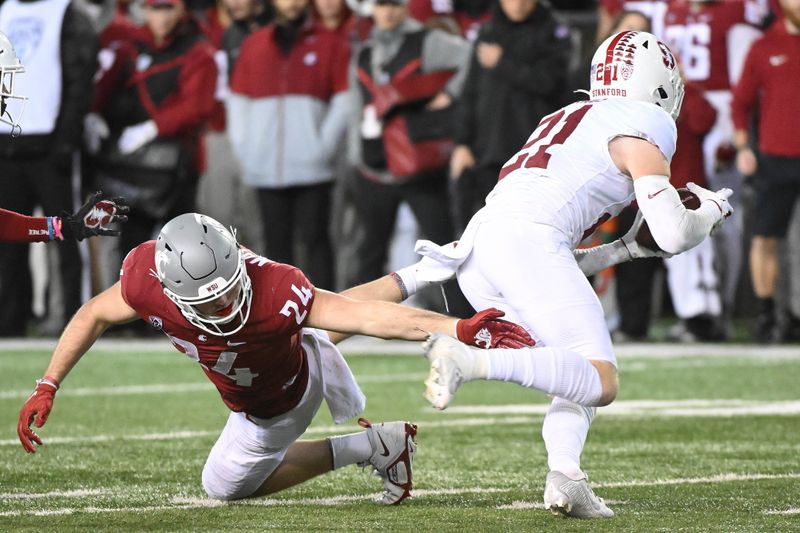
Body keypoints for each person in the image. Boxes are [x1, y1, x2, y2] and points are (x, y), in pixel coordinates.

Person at [414, 31, 732, 518]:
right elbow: (673, 233)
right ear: (659, 85)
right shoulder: (642, 122)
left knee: (577, 367)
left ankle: (567, 476)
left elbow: (561, 257)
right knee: (600, 380)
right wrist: (710, 211)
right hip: (527, 243)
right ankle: (471, 362)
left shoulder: (566, 117)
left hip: (484, 245)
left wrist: (623, 250)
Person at [16, 212, 533, 504]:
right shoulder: (144, 278)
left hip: (280, 399)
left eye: (227, 290)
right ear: (170, 290)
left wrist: (455, 329)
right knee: (320, 322)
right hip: (277, 352)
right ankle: (418, 274)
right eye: (207, 301)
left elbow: (371, 321)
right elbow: (92, 315)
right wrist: (48, 383)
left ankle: (376, 447)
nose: (224, 305)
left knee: (222, 485)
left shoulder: (274, 289)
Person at [227, 0, 349, 290]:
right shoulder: (254, 44)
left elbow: (344, 102)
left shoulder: (330, 43)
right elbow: (238, 102)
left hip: (314, 166)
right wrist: (248, 151)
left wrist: (322, 148)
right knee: (274, 243)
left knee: (316, 240)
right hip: (265, 165)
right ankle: (278, 317)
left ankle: (329, 319)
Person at [0, 1, 98, 336]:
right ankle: (10, 322)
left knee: (65, 236)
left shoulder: (66, 11)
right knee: (7, 239)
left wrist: (65, 140)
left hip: (50, 145)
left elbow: (80, 78)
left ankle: (76, 320)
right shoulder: (5, 9)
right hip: (6, 145)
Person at [449, 0, 571, 233]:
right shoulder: (488, 30)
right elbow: (470, 91)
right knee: (483, 234)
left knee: (528, 233)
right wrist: (462, 143)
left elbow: (549, 82)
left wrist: (501, 63)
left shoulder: (553, 31)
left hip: (533, 155)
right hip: (487, 153)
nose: (518, 4)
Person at [732, 0, 800, 342]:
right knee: (765, 237)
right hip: (775, 157)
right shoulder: (764, 46)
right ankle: (766, 314)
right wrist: (744, 147)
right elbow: (740, 102)